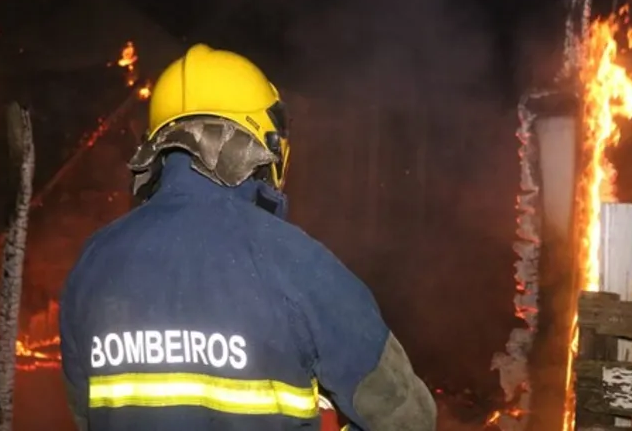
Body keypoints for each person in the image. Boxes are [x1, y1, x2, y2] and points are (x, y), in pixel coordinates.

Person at [59, 43, 436, 431]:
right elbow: (409, 419)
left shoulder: (93, 263)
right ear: (269, 145)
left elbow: (85, 415)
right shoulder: (300, 265)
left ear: (154, 144)